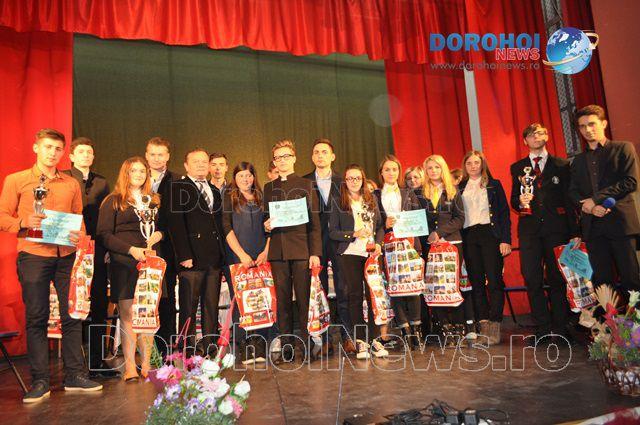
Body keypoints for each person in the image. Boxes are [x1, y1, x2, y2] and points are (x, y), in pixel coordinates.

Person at [0, 129, 103, 402]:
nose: (52, 153)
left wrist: (79, 236)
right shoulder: (17, 180)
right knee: (37, 316)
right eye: (47, 147)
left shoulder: (70, 183)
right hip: (33, 254)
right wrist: (22, 222)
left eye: (58, 149)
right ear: (36, 148)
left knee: (72, 316)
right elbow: (2, 215)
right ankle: (40, 381)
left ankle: (74, 376)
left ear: (63, 152)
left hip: (66, 255)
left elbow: (78, 216)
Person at [97, 157, 164, 381]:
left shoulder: (154, 200)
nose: (138, 174)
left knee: (148, 314)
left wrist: (160, 234)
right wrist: (130, 250)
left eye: (142, 171)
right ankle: (129, 368)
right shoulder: (114, 200)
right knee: (127, 316)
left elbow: (165, 227)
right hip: (124, 263)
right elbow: (104, 234)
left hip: (151, 264)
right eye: (133, 170)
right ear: (125, 173)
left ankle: (146, 365)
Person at [510, 123, 577, 343]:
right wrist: (520, 201)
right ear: (525, 141)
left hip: (556, 229)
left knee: (557, 278)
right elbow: (514, 199)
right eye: (531, 135)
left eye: (540, 133)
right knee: (532, 278)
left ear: (547, 136)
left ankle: (561, 327)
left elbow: (569, 200)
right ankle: (542, 329)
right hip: (529, 230)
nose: (536, 137)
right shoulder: (518, 167)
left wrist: (575, 231)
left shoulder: (562, 165)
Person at [569, 105, 640, 295]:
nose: (587, 129)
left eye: (592, 124)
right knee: (602, 283)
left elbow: (631, 181)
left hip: (621, 223)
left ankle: (635, 315)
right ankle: (609, 316)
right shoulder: (578, 161)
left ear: (604, 124)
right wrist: (592, 208)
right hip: (593, 227)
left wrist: (595, 200)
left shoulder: (623, 148)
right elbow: (573, 192)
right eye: (582, 126)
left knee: (631, 279)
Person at [263, 140, 322, 363]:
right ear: (274, 162)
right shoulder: (269, 187)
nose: (282, 161)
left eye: (286, 156)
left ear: (294, 158)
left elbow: (315, 222)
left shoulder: (306, 184)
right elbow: (265, 218)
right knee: (283, 302)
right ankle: (287, 347)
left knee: (304, 301)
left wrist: (315, 253)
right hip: (278, 251)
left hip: (301, 250)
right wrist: (266, 225)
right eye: (278, 158)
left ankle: (306, 346)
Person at [63, 137, 116, 378]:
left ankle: (97, 362)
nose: (86, 155)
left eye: (89, 152)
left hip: (96, 250)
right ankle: (73, 367)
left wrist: (106, 250)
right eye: (81, 151)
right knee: (72, 306)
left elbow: (106, 219)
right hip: (70, 250)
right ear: (72, 156)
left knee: (98, 305)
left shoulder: (102, 182)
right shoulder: (64, 179)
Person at [168, 148, 225, 357]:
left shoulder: (214, 190)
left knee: (211, 306)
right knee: (188, 307)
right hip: (191, 258)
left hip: (213, 258)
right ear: (186, 165)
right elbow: (175, 224)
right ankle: (187, 349)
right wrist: (184, 255)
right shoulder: (178, 187)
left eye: (204, 161)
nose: (201, 165)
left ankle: (210, 346)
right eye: (196, 161)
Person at [329, 164, 388, 359]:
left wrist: (378, 243)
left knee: (373, 296)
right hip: (350, 254)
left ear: (363, 180)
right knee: (354, 296)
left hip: (371, 255)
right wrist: (353, 234)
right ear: (344, 181)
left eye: (357, 178)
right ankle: (361, 340)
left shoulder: (371, 200)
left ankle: (375, 340)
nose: (354, 181)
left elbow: (380, 226)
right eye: (350, 178)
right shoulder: (338, 202)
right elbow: (333, 232)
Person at [222, 162, 274, 364]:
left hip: (261, 257)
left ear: (254, 177)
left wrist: (266, 252)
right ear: (235, 178)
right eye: (241, 175)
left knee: (262, 301)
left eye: (249, 175)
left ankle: (259, 347)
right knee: (241, 303)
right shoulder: (228, 198)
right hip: (238, 258)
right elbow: (226, 228)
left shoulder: (262, 197)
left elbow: (271, 228)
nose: (245, 179)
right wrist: (242, 255)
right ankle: (243, 348)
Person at [459, 150, 511, 345]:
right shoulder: (459, 187)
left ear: (482, 164)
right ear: (465, 166)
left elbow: (504, 214)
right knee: (477, 283)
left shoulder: (494, 185)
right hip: (469, 236)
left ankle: (495, 325)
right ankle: (484, 327)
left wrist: (505, 239)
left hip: (490, 235)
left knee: (495, 281)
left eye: (476, 162)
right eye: (469, 163)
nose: (473, 166)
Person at [417, 155, 467, 345]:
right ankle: (443, 327)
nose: (433, 171)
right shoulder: (420, 193)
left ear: (443, 169)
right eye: (429, 168)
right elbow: (419, 219)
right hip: (432, 246)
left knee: (452, 285)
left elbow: (460, 219)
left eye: (437, 167)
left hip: (452, 244)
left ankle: (458, 326)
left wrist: (439, 232)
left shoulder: (453, 191)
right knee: (435, 286)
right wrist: (430, 234)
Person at [373, 154, 423, 350]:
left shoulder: (408, 192)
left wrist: (417, 247)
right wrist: (385, 224)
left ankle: (417, 330)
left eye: (394, 169)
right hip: (389, 245)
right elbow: (375, 223)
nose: (391, 173)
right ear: (381, 173)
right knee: (395, 290)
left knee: (413, 288)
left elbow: (417, 219)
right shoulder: (375, 195)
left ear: (399, 172)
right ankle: (405, 331)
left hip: (409, 244)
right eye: (387, 169)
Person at [303, 138, 346, 355]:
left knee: (343, 289)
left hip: (340, 243)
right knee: (318, 293)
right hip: (315, 244)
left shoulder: (343, 181)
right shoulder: (303, 182)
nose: (320, 155)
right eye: (316, 152)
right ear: (312, 157)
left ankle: (347, 337)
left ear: (332, 156)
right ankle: (324, 340)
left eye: (324, 152)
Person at [145, 137, 180, 356]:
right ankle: (146, 352)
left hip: (167, 249)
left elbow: (177, 217)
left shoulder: (177, 181)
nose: (156, 158)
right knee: (144, 299)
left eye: (161, 154)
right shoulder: (138, 177)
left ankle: (165, 352)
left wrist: (162, 233)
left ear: (167, 156)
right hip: (141, 250)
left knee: (166, 301)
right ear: (146, 155)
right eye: (152, 154)